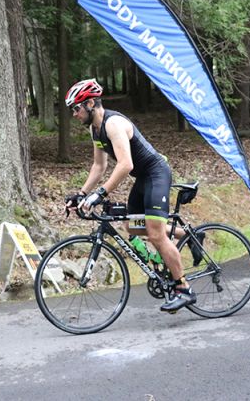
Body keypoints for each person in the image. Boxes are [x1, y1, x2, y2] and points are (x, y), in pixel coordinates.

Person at [64, 78, 196, 313]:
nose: (74, 114)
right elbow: (99, 166)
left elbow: (125, 164)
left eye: (76, 108)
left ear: (90, 104)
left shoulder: (113, 124)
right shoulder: (95, 130)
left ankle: (184, 289)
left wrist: (100, 193)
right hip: (143, 178)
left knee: (155, 234)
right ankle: (186, 235)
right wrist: (81, 194)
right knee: (132, 226)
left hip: (156, 174)